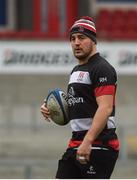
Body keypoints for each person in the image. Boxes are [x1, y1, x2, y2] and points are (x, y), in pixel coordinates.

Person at [40, 16, 120, 179]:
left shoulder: (102, 68)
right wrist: (52, 108)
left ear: (93, 40)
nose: (76, 42)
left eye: (82, 38)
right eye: (73, 39)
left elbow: (105, 108)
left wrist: (88, 141)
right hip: (76, 144)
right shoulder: (75, 70)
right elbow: (77, 105)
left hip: (98, 146)